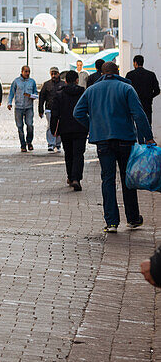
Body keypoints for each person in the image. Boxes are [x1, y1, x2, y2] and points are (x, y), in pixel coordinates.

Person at [73, 61, 155, 233]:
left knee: (108, 180)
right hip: (125, 139)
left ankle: (111, 222)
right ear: (117, 71)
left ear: (102, 73)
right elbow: (139, 114)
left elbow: (77, 112)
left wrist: (93, 126)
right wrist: (148, 138)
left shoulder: (91, 90)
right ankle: (132, 219)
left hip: (103, 141)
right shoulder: (126, 89)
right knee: (128, 179)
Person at [49, 70, 88, 191]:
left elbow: (54, 113)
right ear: (77, 80)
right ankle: (76, 178)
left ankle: (70, 177)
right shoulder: (83, 93)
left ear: (65, 81)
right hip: (80, 127)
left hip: (65, 128)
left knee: (69, 154)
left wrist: (53, 128)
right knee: (78, 154)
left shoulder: (59, 94)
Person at [8, 65, 39, 152]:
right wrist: (9, 103)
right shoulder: (16, 81)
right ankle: (22, 144)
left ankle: (29, 142)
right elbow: (11, 93)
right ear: (22, 72)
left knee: (29, 125)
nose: (27, 73)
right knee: (20, 127)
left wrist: (31, 96)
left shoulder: (32, 82)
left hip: (29, 107)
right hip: (18, 107)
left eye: (28, 71)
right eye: (26, 71)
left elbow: (36, 94)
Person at [125, 55, 160, 124]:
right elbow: (157, 91)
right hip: (147, 104)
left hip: (134, 104)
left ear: (135, 63)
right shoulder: (151, 74)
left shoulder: (130, 75)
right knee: (147, 124)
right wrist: (149, 96)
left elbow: (126, 90)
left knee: (135, 125)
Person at [38, 67, 65, 153]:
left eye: (55, 73)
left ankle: (58, 144)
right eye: (52, 73)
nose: (53, 75)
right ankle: (51, 144)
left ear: (58, 74)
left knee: (60, 125)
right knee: (50, 126)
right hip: (49, 108)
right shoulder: (46, 84)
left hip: (61, 109)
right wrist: (40, 110)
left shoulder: (63, 84)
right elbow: (41, 97)